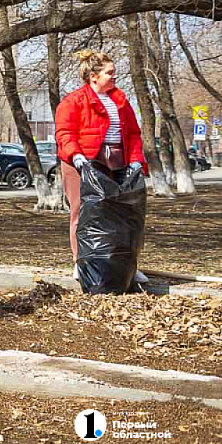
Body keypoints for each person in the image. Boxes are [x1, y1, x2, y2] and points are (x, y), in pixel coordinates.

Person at [55, 49, 147, 283]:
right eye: (110, 73)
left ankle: (125, 267)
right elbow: (64, 133)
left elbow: (133, 134)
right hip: (82, 165)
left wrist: (136, 160)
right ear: (93, 76)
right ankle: (82, 264)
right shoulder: (73, 101)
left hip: (116, 164)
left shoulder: (121, 101)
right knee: (82, 213)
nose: (114, 77)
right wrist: (76, 156)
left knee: (122, 215)